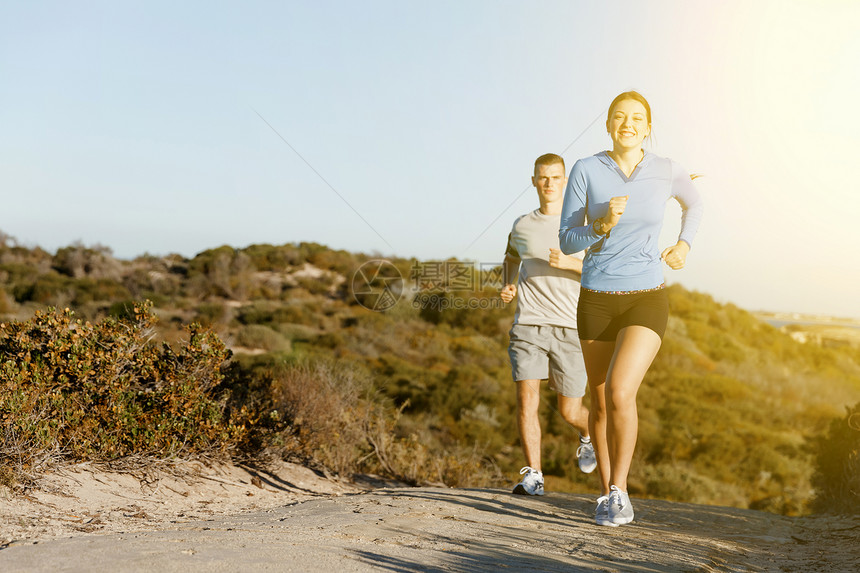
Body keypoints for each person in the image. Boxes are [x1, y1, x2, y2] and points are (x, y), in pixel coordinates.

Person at [559, 91, 703, 526]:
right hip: (597, 299)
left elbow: (694, 202)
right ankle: (606, 494)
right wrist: (600, 226)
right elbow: (568, 239)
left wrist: (683, 243)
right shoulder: (586, 169)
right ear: (608, 125)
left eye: (637, 117)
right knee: (600, 405)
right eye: (619, 116)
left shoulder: (666, 170)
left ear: (647, 126)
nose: (628, 123)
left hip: (646, 295)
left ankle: (621, 490)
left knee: (622, 391)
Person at [501, 153, 597, 497]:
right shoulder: (522, 224)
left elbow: (601, 274)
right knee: (527, 399)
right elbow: (512, 256)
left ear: (565, 181)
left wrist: (571, 264)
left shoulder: (583, 226)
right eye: (543, 177)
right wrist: (509, 283)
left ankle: (587, 437)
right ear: (533, 181)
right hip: (528, 323)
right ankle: (534, 476)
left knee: (570, 411)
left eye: (556, 177)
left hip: (570, 328)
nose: (549, 184)